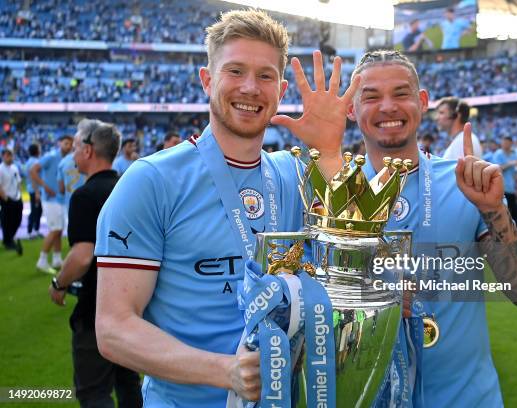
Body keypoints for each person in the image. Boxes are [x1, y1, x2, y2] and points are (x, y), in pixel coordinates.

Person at [94, 9, 357, 407]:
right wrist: (225, 371)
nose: (250, 88)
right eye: (235, 71)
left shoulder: (296, 175)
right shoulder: (151, 181)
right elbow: (113, 328)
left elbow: (357, 268)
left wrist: (331, 150)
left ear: (281, 90)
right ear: (207, 80)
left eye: (265, 76)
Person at [347, 49, 517, 407]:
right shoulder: (332, 199)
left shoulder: (463, 184)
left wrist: (492, 209)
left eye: (401, 94)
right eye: (371, 96)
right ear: (351, 108)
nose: (388, 107)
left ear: (422, 102)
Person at [48, 122, 143, 408]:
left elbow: (82, 256)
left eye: (76, 147)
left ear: (88, 150)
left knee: (93, 392)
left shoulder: (85, 195)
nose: (74, 153)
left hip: (96, 310)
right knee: (128, 386)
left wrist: (59, 283)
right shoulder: (129, 190)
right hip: (134, 307)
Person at [30, 134, 73, 272]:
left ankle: (56, 259)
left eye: (70, 143)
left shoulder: (68, 158)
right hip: (50, 199)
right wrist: (44, 186)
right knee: (55, 230)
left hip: (60, 198)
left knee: (59, 230)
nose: (69, 146)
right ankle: (41, 260)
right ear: (60, 143)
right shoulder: (51, 156)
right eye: (66, 143)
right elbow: (33, 171)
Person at [492, 136, 517, 229]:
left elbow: (516, 172)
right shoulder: (498, 154)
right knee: (502, 210)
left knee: (511, 208)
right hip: (501, 186)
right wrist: (511, 163)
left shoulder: (513, 155)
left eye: (507, 142)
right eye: (504, 142)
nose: (505, 144)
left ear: (511, 143)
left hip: (511, 186)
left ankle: (512, 227)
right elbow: (498, 169)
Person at [0, 149, 23, 255]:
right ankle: (7, 241)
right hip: (7, 198)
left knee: (17, 219)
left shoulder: (14, 167)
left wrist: (19, 193)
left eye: (11, 155)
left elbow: (18, 181)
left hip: (16, 197)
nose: (10, 158)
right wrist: (5, 198)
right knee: (6, 221)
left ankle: (10, 238)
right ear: (3, 156)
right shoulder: (1, 169)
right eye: (7, 155)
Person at [24, 143, 43, 239]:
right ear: (37, 151)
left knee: (37, 210)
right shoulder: (36, 162)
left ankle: (35, 230)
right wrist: (36, 192)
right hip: (35, 189)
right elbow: (33, 178)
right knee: (35, 210)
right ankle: (30, 231)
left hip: (32, 188)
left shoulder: (29, 162)